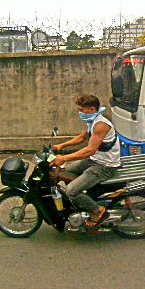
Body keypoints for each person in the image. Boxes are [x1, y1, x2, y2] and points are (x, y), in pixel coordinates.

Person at [51, 94, 121, 227]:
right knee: (63, 171)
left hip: (104, 166)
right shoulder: (93, 121)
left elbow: (90, 150)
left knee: (71, 191)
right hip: (94, 160)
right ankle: (82, 199)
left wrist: (64, 158)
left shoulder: (101, 125)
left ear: (92, 109)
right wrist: (61, 145)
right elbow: (82, 138)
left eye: (81, 110)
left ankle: (98, 211)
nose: (80, 113)